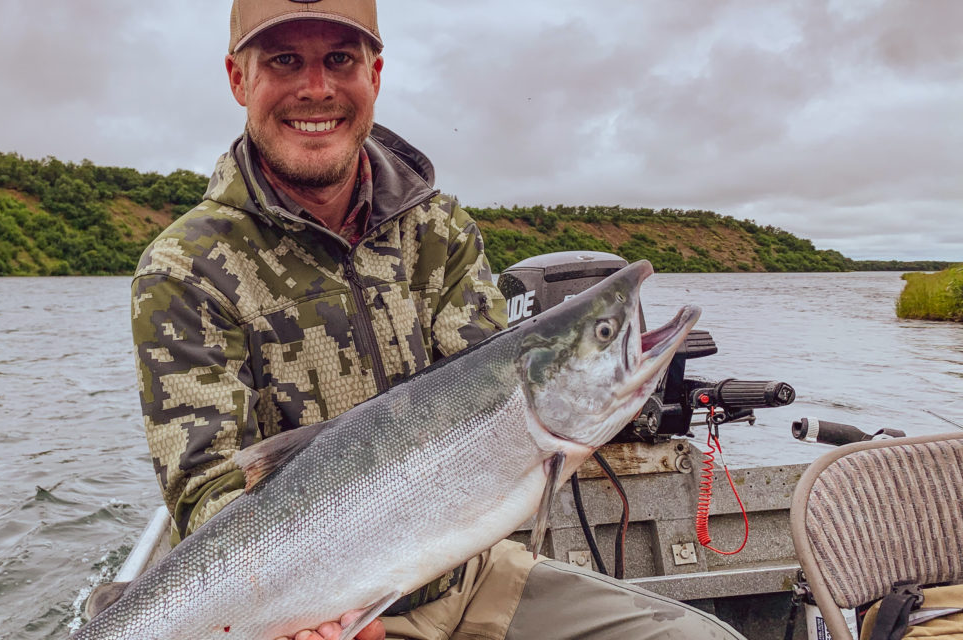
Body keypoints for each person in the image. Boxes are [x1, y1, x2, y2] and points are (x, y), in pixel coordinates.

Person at [126, 1, 747, 639]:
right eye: (285, 60)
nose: (317, 88)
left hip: (471, 576)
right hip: (302, 609)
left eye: (340, 59)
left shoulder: (439, 228)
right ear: (238, 79)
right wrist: (304, 610)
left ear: (375, 74)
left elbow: (477, 386)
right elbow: (209, 493)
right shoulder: (182, 270)